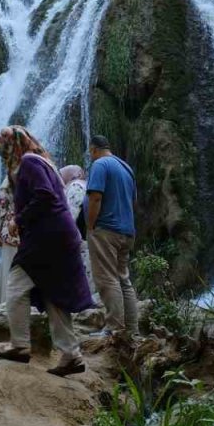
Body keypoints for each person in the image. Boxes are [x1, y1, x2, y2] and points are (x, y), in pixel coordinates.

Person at [0, 125, 95, 377]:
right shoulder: (42, 161)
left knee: (15, 286)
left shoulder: (29, 163)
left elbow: (45, 196)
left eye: (4, 151)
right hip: (59, 236)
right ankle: (71, 355)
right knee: (52, 293)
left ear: (13, 146)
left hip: (47, 238)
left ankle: (19, 345)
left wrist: (19, 219)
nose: (4, 158)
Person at [84, 137, 139, 338]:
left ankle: (114, 328)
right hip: (127, 230)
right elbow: (133, 202)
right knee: (124, 279)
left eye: (90, 152)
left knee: (107, 279)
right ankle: (132, 330)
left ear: (94, 150)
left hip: (106, 229)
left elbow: (96, 197)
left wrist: (90, 226)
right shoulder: (126, 168)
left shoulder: (100, 164)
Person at [0, 178, 20, 307]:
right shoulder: (32, 178)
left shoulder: (6, 184)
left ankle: (5, 303)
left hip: (10, 232)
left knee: (8, 268)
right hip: (27, 233)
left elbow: (0, 211)